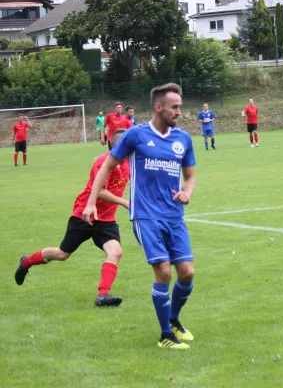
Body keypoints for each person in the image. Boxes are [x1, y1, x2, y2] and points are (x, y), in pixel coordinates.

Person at [82, 83, 196, 350]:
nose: (179, 112)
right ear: (159, 107)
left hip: (174, 216)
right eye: (175, 107)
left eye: (180, 106)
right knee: (164, 272)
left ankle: (174, 319)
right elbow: (106, 167)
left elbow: (189, 177)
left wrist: (187, 192)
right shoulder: (135, 135)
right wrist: (91, 203)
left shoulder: (183, 139)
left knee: (187, 273)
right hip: (145, 216)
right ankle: (165, 335)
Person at [14, 129, 130, 307]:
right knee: (62, 254)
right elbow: (99, 190)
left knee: (116, 252)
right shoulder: (104, 162)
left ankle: (103, 295)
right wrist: (124, 202)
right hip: (84, 213)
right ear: (117, 145)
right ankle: (26, 263)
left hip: (106, 218)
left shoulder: (130, 162)